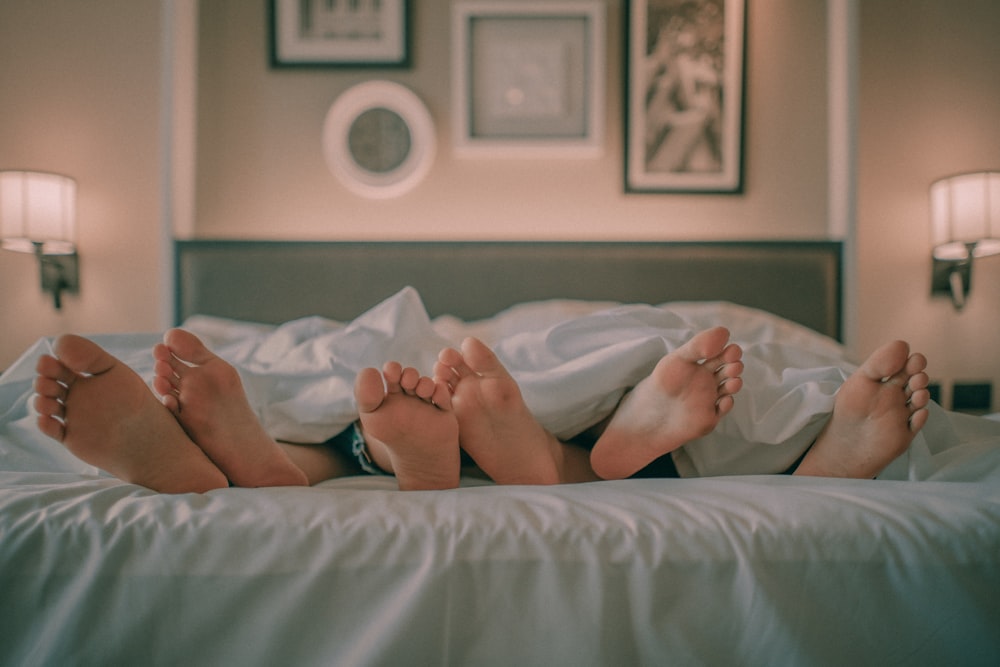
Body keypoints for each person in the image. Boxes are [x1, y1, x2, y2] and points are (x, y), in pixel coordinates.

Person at [31, 325, 930, 494]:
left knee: (343, 414)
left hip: (345, 431)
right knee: (368, 395)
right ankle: (556, 451)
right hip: (544, 432)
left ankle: (255, 462)